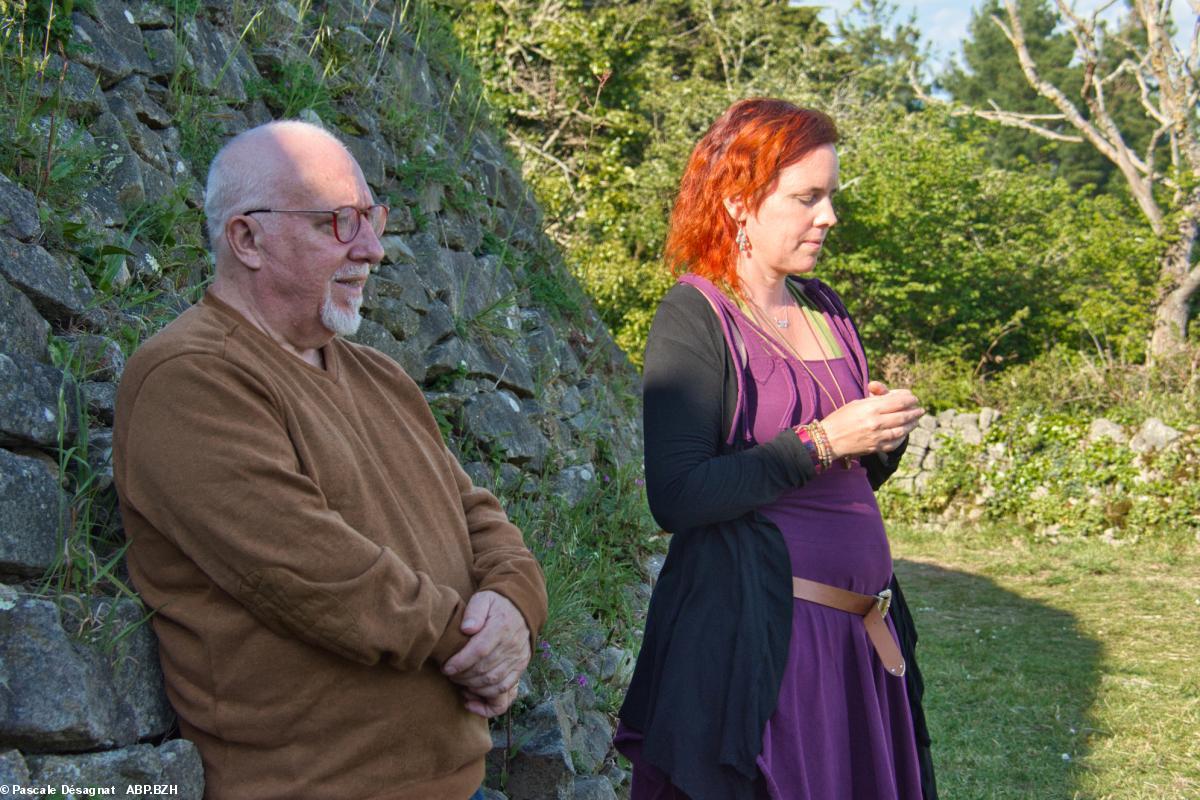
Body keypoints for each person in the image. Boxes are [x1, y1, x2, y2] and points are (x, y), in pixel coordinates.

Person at [112, 120, 547, 800]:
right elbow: (311, 572)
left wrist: (517, 606)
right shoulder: (187, 376)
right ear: (248, 240)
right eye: (338, 225)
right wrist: (473, 641)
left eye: (372, 219)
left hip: (459, 783)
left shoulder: (380, 375)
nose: (373, 250)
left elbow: (479, 516)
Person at [615, 99, 938, 799]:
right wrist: (825, 439)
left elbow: (838, 485)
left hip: (860, 639)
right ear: (737, 200)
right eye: (807, 198)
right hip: (773, 645)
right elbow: (678, 496)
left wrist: (878, 439)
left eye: (830, 197)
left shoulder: (827, 308)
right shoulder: (694, 316)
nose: (828, 217)